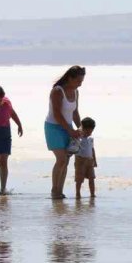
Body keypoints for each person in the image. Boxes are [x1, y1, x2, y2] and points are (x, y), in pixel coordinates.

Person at [44, 65, 85, 199]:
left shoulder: (76, 92)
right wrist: (70, 130)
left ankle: (60, 192)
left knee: (66, 160)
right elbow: (57, 114)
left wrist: (80, 128)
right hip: (54, 127)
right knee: (61, 159)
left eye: (81, 81)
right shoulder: (57, 91)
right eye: (78, 81)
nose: (80, 84)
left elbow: (75, 112)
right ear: (70, 78)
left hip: (68, 127)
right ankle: (54, 190)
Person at [73, 117, 98, 199]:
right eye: (87, 131)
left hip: (90, 160)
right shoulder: (78, 138)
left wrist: (94, 160)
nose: (88, 133)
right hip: (80, 160)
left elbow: (92, 149)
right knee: (79, 179)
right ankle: (78, 193)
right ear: (82, 128)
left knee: (92, 178)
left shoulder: (91, 139)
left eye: (90, 131)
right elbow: (73, 147)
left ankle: (92, 194)